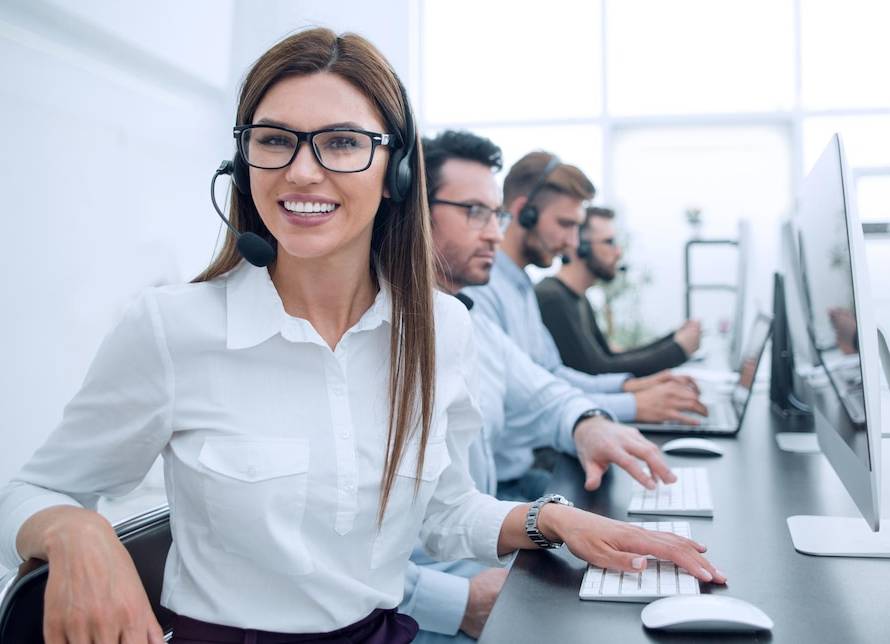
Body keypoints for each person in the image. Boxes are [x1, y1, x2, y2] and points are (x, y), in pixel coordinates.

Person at [0, 30, 724, 644]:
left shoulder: (441, 330)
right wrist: (74, 529)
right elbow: (34, 488)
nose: (302, 170)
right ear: (243, 160)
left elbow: (443, 511)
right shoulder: (172, 328)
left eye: (342, 142)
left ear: (397, 173)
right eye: (275, 141)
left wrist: (556, 522)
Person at [401, 130, 703, 642]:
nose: (497, 233)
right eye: (476, 212)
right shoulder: (389, 327)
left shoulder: (459, 315)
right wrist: (453, 601)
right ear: (410, 210)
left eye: (495, 215)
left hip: (472, 541)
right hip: (427, 588)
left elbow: (543, 387)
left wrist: (587, 423)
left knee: (617, 596)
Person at [462, 152, 708, 496]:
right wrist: (634, 405)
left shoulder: (521, 287)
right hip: (506, 485)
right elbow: (518, 405)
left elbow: (552, 374)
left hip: (523, 473)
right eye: (565, 224)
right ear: (523, 213)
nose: (574, 243)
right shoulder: (482, 292)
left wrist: (631, 387)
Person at [535, 205, 701, 377]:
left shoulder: (578, 298)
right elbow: (598, 371)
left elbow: (609, 357)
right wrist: (677, 350)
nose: (618, 252)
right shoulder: (553, 299)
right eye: (609, 242)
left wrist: (674, 339)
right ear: (579, 247)